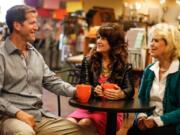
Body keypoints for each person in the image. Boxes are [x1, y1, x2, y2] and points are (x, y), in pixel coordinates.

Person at [0, 5, 97, 135]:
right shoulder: (1, 55)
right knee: (25, 133)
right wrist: (18, 113)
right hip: (11, 117)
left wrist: (76, 92)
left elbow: (51, 81)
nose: (37, 27)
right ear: (17, 25)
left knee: (87, 132)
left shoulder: (35, 54)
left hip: (38, 116)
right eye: (32, 23)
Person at [67, 23, 135, 135]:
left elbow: (130, 89)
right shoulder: (88, 61)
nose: (98, 41)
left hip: (111, 112)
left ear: (114, 43)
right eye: (98, 37)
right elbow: (83, 84)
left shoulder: (124, 65)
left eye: (103, 38)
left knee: (85, 123)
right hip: (88, 108)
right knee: (68, 123)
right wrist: (93, 90)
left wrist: (121, 94)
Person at [127, 23, 180, 135]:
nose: (151, 44)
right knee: (132, 132)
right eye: (151, 40)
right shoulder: (149, 70)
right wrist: (141, 118)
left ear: (170, 44)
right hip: (148, 122)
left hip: (171, 124)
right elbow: (142, 101)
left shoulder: (178, 71)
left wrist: (157, 121)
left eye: (155, 40)